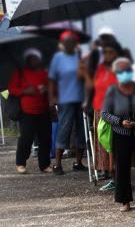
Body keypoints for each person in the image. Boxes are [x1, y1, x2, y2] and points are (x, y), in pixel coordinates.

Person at [100, 58, 135, 211]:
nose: (125, 73)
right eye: (121, 71)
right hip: (120, 133)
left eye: (127, 70)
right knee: (122, 167)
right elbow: (104, 113)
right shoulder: (112, 90)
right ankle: (125, 201)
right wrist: (119, 121)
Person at [48, 31, 87, 174]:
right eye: (67, 41)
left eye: (72, 41)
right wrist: (51, 99)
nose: (69, 44)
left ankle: (78, 162)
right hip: (65, 100)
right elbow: (52, 79)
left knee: (81, 130)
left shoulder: (80, 57)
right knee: (64, 129)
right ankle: (57, 164)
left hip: (81, 99)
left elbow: (86, 77)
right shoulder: (58, 58)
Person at [8, 48, 52, 173]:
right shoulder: (20, 72)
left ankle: (44, 165)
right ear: (27, 60)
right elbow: (12, 89)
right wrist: (25, 91)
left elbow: (52, 87)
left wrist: (46, 89)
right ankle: (21, 163)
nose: (35, 61)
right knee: (26, 138)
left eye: (36, 59)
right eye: (32, 59)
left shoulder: (44, 72)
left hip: (43, 110)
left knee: (45, 138)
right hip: (27, 112)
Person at [90, 37, 120, 189]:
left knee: (115, 145)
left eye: (110, 52)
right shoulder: (99, 69)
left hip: (116, 111)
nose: (107, 55)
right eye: (105, 52)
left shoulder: (120, 68)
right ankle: (110, 175)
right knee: (105, 144)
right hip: (100, 110)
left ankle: (117, 177)